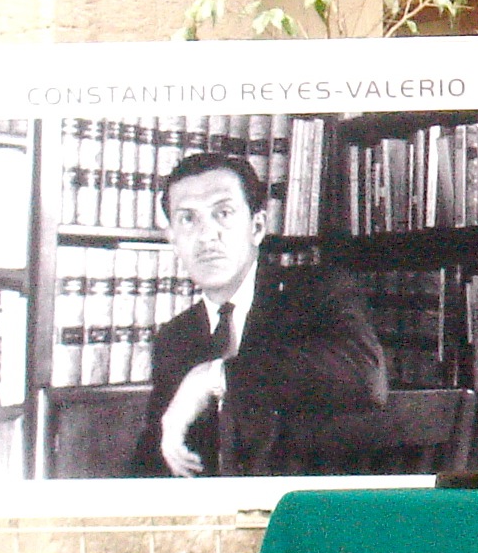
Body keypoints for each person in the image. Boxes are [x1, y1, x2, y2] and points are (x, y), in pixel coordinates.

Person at [130, 152, 386, 477]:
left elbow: (366, 377)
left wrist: (214, 376)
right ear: (173, 239)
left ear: (257, 227)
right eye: (188, 219)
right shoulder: (174, 338)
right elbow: (155, 464)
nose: (207, 235)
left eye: (223, 213)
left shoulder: (317, 291)